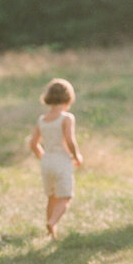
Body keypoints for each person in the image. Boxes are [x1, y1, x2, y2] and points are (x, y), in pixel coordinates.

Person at [28, 77, 84, 240]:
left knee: (51, 198)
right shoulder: (66, 118)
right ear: (68, 98)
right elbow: (69, 140)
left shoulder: (42, 119)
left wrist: (42, 156)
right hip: (61, 161)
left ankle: (50, 232)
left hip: (47, 161)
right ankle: (52, 222)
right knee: (65, 197)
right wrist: (76, 155)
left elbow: (33, 144)